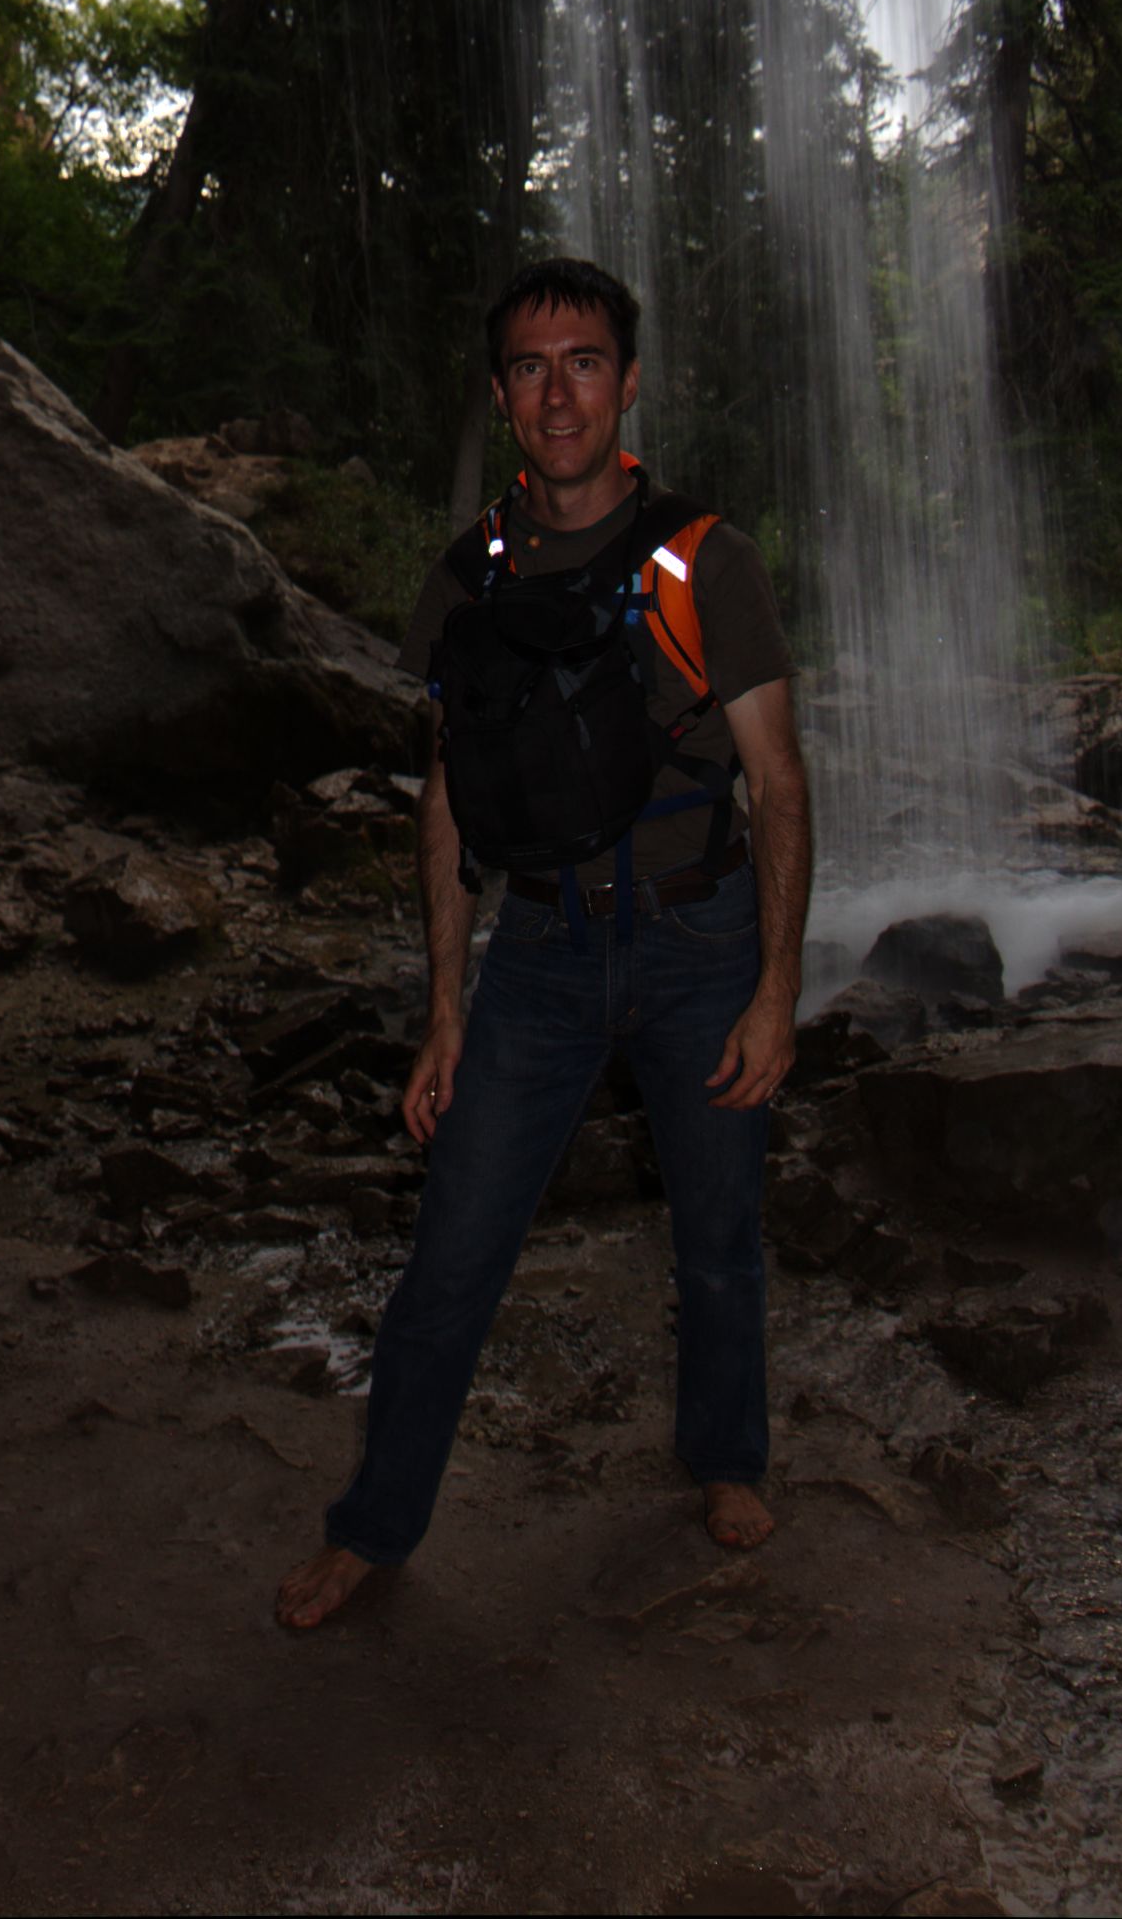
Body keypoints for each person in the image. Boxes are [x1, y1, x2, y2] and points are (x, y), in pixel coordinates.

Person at [276, 257, 810, 1631]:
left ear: (625, 386)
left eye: (582, 361)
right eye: (528, 365)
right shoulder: (468, 579)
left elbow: (778, 780)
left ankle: (727, 1457)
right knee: (452, 1251)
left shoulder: (705, 558)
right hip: (543, 959)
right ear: (501, 396)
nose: (556, 389)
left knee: (716, 1237)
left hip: (698, 942)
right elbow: (449, 795)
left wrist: (774, 989)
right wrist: (446, 1008)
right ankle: (372, 1525)